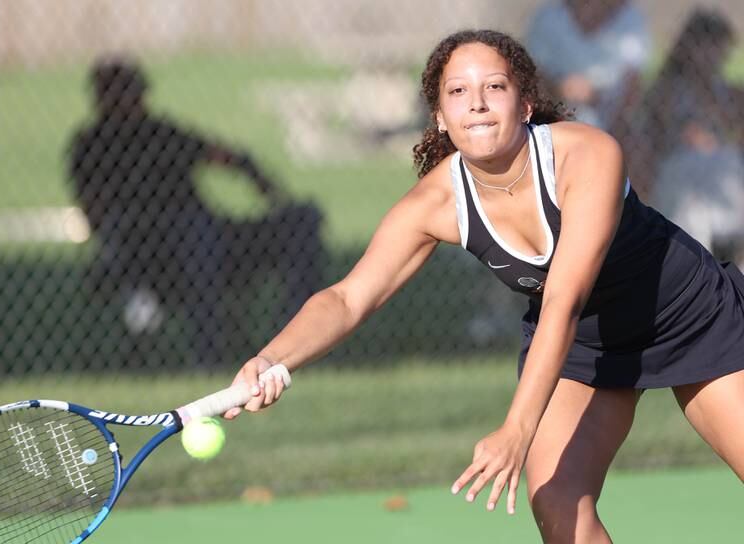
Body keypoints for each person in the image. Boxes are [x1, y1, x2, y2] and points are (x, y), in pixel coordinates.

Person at [219, 29, 744, 541]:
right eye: (458, 92)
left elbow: (563, 297)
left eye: (494, 87)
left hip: (685, 314)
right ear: (440, 118)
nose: (476, 103)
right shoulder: (435, 205)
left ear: (526, 105)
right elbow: (348, 296)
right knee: (558, 503)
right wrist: (273, 358)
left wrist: (517, 428)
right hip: (584, 345)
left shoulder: (586, 154)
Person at [68, 57, 325, 365]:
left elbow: (225, 156)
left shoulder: (160, 134)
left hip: (211, 241)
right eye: (120, 94)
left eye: (135, 93)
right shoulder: (91, 145)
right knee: (193, 236)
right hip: (143, 254)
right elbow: (95, 215)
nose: (132, 103)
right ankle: (208, 354)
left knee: (302, 219)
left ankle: (297, 345)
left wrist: (262, 182)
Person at [624, 9, 744, 264]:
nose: (712, 55)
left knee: (725, 163)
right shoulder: (667, 89)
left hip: (721, 171)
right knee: (694, 185)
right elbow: (665, 132)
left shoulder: (729, 92)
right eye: (705, 46)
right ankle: (701, 261)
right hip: (679, 171)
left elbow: (733, 130)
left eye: (718, 47)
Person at [525, 0, 651, 135]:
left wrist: (597, 99)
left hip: (605, 126)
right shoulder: (550, 16)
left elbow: (633, 87)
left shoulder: (630, 20)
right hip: (552, 121)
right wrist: (559, 87)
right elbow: (534, 74)